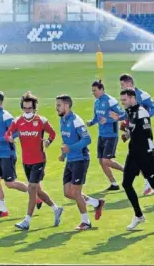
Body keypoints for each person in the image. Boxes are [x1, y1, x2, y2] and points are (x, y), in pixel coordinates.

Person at [5, 91, 63, 231]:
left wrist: (48, 141)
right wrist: (10, 138)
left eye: (29, 108)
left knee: (31, 188)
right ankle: (56, 209)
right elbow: (7, 133)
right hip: (26, 161)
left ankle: (27, 221)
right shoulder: (17, 121)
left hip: (39, 160)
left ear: (34, 107)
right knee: (37, 190)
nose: (27, 111)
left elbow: (53, 133)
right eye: (24, 108)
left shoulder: (41, 121)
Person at [119, 88, 154, 231]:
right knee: (126, 184)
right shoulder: (130, 111)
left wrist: (128, 129)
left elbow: (144, 132)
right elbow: (133, 130)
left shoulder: (142, 112)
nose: (123, 103)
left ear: (133, 98)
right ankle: (138, 215)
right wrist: (127, 134)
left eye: (125, 100)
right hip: (133, 153)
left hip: (145, 153)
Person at [57, 95, 105, 230]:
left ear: (66, 106)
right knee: (67, 192)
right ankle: (96, 203)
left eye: (59, 105)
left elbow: (87, 139)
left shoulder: (76, 120)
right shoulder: (63, 120)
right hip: (71, 159)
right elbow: (66, 141)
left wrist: (70, 149)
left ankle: (86, 222)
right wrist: (64, 154)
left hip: (80, 159)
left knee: (77, 192)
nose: (57, 108)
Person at [0, 91, 29, 217]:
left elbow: (16, 132)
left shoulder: (6, 116)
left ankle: (34, 194)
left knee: (10, 184)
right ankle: (3, 210)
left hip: (7, 154)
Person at [116, 74, 154, 196]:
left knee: (144, 156)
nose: (121, 87)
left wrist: (143, 118)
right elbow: (129, 114)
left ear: (129, 83)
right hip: (133, 130)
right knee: (139, 157)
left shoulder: (143, 95)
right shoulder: (127, 97)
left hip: (143, 131)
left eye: (122, 85)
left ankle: (151, 184)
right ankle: (152, 183)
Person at [86, 80, 126, 191]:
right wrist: (91, 122)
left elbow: (123, 114)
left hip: (111, 135)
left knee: (106, 161)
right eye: (92, 91)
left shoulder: (111, 101)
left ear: (102, 89)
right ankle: (113, 183)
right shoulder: (97, 102)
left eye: (95, 90)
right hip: (101, 135)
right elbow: (96, 118)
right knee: (101, 161)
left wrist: (108, 120)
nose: (93, 93)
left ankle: (126, 171)